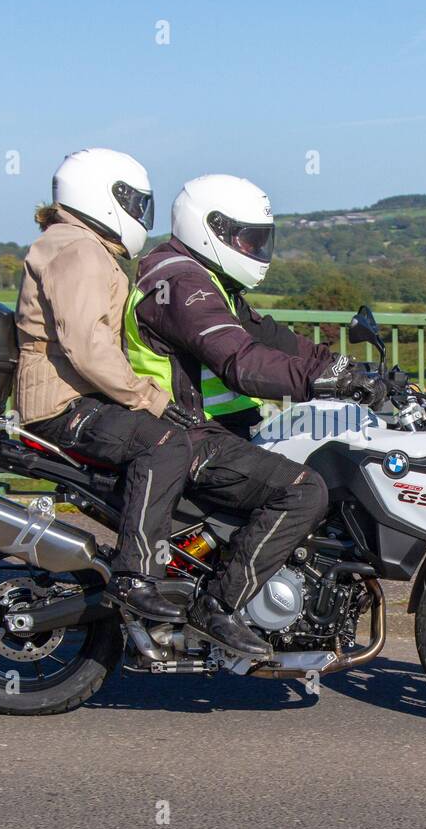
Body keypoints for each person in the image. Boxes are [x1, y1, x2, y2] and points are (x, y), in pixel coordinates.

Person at [123, 174, 387, 657]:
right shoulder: (181, 283)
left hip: (210, 430)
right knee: (302, 491)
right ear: (212, 229)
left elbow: (271, 338)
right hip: (186, 436)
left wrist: (346, 367)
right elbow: (241, 361)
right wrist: (320, 383)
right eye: (246, 238)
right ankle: (219, 607)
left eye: (259, 239)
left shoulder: (203, 279)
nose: (255, 249)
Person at [15, 147, 199, 625]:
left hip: (71, 396)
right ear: (101, 195)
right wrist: (149, 397)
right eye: (133, 201)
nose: (140, 213)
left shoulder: (76, 244)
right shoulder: (78, 250)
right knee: (164, 442)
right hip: (62, 403)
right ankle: (135, 577)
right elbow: (87, 346)